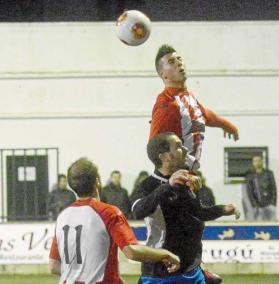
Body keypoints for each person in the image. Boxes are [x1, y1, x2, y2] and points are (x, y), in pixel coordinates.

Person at [49, 157, 180, 284]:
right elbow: (132, 252)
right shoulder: (108, 213)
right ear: (97, 181)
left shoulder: (63, 216)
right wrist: (165, 254)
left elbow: (54, 266)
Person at [131, 132, 240, 284]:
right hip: (160, 272)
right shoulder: (147, 185)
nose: (185, 150)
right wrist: (167, 186)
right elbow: (137, 211)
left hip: (190, 270)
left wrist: (222, 209)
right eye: (178, 146)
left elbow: (198, 213)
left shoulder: (183, 183)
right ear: (165, 157)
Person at [149, 44, 239, 171]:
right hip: (174, 178)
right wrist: (170, 178)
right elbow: (153, 148)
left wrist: (226, 125)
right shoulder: (166, 103)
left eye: (179, 59)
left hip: (189, 174)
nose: (179, 63)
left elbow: (204, 114)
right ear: (164, 75)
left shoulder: (188, 97)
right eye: (171, 62)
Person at [244, 155, 277, 221]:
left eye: (259, 160)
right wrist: (254, 205)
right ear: (252, 163)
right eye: (255, 161)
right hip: (257, 206)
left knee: (272, 226)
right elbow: (249, 192)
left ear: (262, 161)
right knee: (259, 227)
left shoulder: (269, 173)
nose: (257, 163)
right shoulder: (249, 175)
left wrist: (273, 203)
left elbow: (274, 189)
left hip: (269, 205)